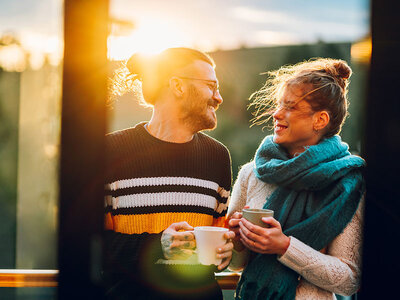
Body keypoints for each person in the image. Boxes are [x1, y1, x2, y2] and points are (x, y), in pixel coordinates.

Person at [227, 58, 366, 300]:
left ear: (319, 120)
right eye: (279, 104)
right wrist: (239, 241)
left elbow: (349, 280)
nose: (276, 113)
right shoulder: (252, 173)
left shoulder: (348, 183)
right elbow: (236, 264)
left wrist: (284, 246)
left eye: (290, 107)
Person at [103, 47, 235, 300]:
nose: (218, 97)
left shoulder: (218, 156)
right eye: (211, 86)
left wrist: (225, 250)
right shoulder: (111, 150)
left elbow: (217, 236)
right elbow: (91, 247)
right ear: (177, 86)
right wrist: (158, 247)